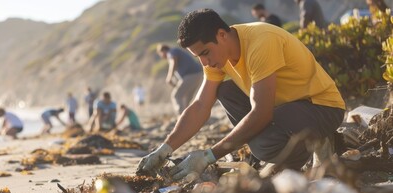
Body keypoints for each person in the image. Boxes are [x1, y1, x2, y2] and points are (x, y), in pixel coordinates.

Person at [137, 8, 345, 181]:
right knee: (225, 90)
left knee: (263, 145)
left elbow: (262, 113)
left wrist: (209, 156)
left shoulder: (261, 41)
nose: (204, 62)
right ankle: (283, 154)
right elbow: (200, 105)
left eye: (205, 53)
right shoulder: (218, 56)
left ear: (221, 35)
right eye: (198, 56)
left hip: (321, 107)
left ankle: (315, 145)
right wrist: (165, 149)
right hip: (285, 109)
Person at [156, 43, 203, 115]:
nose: (162, 57)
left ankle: (181, 117)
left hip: (190, 75)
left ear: (163, 51)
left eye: (160, 54)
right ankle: (191, 115)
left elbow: (173, 62)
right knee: (186, 98)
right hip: (198, 74)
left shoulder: (171, 52)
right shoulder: (176, 51)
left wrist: (169, 77)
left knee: (176, 95)